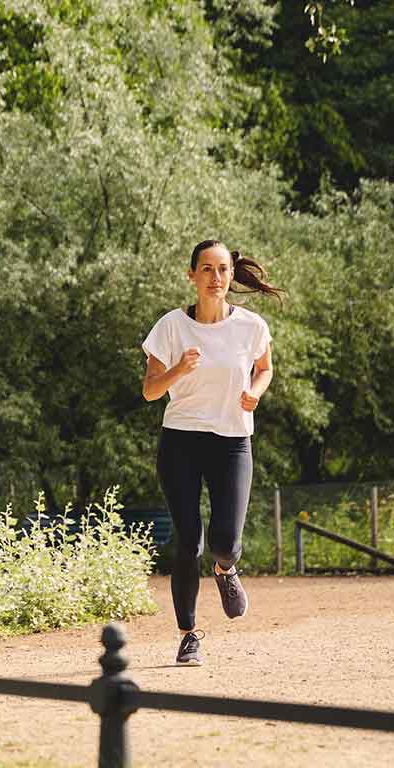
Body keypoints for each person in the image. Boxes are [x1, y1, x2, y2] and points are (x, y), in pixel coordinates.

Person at [140, 239, 283, 665]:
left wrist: (255, 392)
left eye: (222, 269)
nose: (215, 278)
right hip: (181, 440)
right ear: (191, 276)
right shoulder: (170, 327)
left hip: (232, 441)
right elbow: (150, 391)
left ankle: (226, 569)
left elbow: (265, 367)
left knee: (224, 542)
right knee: (188, 542)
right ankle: (188, 635)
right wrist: (178, 369)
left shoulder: (251, 326)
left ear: (230, 275)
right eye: (206, 269)